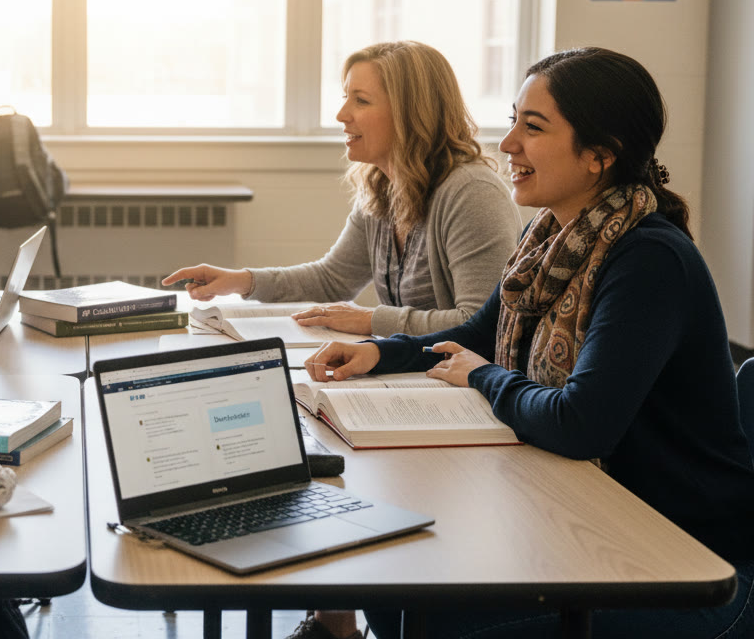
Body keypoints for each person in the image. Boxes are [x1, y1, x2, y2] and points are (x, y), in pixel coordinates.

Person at [305, 47, 754, 638]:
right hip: (591, 525)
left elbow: (579, 423)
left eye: (532, 127)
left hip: (683, 564)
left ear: (600, 155)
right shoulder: (550, 238)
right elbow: (477, 334)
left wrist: (482, 376)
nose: (508, 143)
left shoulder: (649, 259)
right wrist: (382, 353)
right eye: (514, 119)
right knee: (394, 599)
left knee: (424, 621)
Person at [163, 41, 522, 338]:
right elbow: (333, 278)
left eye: (361, 101)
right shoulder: (382, 185)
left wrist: (368, 320)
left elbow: (484, 326)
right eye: (346, 96)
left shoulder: (471, 192)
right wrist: (240, 281)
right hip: (418, 371)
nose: (341, 114)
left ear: (411, 112)